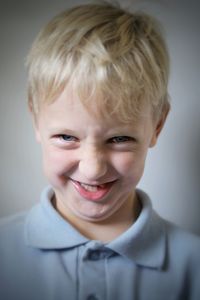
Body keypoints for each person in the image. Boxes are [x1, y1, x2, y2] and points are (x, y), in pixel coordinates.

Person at [0, 2, 200, 300]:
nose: (93, 169)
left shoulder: (193, 266)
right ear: (36, 120)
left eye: (119, 139)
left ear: (157, 126)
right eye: (67, 136)